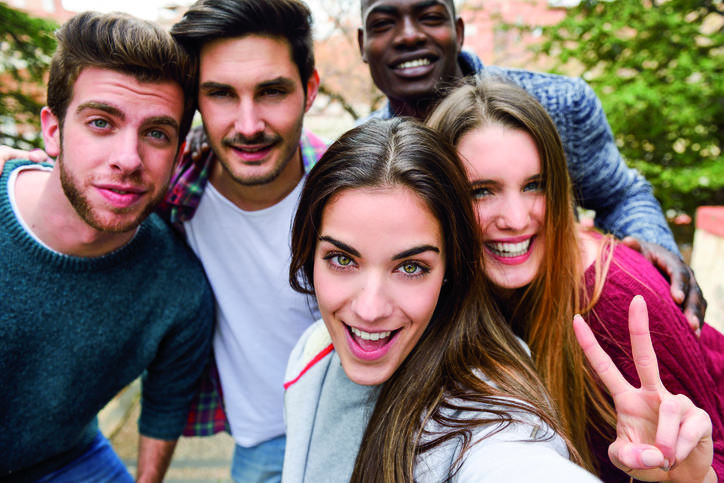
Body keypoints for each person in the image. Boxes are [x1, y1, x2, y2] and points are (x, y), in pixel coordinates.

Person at [426, 77, 724, 481]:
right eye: (482, 191)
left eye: (536, 185)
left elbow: (713, 457)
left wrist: (684, 477)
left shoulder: (616, 298)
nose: (515, 219)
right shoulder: (442, 288)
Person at [282, 117, 601, 482]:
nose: (369, 310)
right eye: (343, 260)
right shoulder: (311, 352)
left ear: (450, 268)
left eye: (411, 267)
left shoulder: (489, 414)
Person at [356, 0, 706, 328]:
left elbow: (620, 195)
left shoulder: (559, 106)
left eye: (430, 17)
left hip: (561, 336)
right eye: (383, 23)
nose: (409, 35)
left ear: (459, 32)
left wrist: (657, 261)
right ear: (361, 43)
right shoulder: (362, 156)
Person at [0, 11, 214, 483]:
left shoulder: (179, 287)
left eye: (156, 133)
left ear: (179, 154)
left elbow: (166, 401)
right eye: (101, 122)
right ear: (53, 130)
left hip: (67, 458)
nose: (128, 159)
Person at [163, 1, 325, 481]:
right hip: (260, 443)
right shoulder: (170, 193)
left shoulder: (355, 191)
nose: (249, 125)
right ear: (195, 100)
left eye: (272, 91)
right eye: (221, 94)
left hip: (375, 427)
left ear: (309, 89)